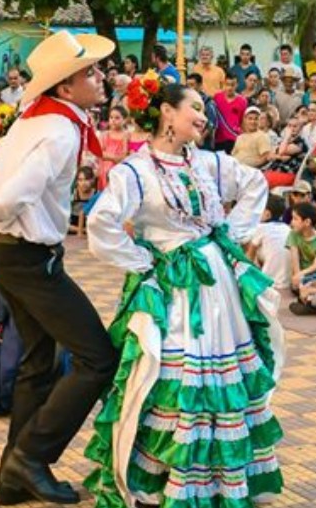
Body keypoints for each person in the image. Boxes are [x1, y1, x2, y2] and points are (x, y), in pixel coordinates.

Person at [82, 80, 280, 507]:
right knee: (173, 375)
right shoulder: (135, 171)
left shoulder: (207, 162)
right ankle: (167, 480)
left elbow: (254, 184)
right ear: (167, 113)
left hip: (217, 286)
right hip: (174, 288)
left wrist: (231, 235)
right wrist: (143, 260)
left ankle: (217, 482)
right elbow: (102, 223)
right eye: (194, 106)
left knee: (217, 379)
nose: (204, 116)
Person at [0, 31, 120, 505]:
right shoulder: (58, 129)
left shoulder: (35, 119)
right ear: (65, 87)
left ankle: (13, 475)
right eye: (90, 72)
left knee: (40, 361)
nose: (100, 77)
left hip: (10, 252)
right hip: (26, 256)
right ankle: (31, 456)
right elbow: (19, 188)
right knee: (97, 356)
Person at [210, 73, 248, 154]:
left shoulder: (242, 101)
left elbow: (243, 122)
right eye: (227, 84)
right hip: (218, 138)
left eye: (232, 85)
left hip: (234, 138)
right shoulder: (217, 97)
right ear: (224, 84)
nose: (230, 88)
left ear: (237, 85)